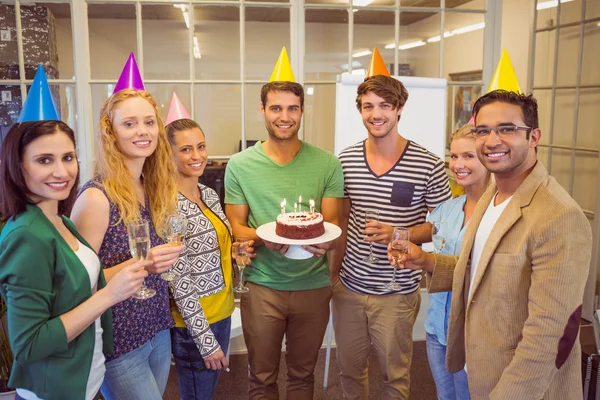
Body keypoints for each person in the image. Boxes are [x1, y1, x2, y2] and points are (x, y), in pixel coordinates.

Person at [391, 90, 592, 399]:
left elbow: (552, 330)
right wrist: (424, 261)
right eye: (482, 131)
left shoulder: (558, 215)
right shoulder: (491, 196)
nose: (491, 140)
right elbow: (480, 270)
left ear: (534, 136)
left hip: (518, 381)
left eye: (507, 129)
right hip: (475, 362)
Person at [0, 120, 149, 400]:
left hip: (85, 378)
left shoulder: (60, 220)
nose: (62, 171)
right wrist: (108, 296)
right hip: (53, 390)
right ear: (18, 167)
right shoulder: (26, 236)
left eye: (68, 157)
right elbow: (29, 344)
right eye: (44, 160)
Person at [224, 60, 344, 397]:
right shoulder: (240, 164)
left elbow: (331, 223)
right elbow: (236, 226)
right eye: (275, 107)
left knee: (303, 375)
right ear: (262, 110)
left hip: (313, 285)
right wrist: (267, 239)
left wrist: (325, 246)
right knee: (261, 376)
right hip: (263, 287)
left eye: (292, 108)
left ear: (302, 111)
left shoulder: (327, 163)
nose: (284, 116)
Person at [332, 73, 451, 399]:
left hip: (397, 292)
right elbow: (340, 221)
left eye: (384, 105)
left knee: (394, 377)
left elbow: (445, 227)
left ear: (399, 109)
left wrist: (402, 233)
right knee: (350, 373)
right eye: (368, 106)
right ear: (360, 111)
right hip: (349, 290)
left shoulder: (428, 165)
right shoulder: (345, 160)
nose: (376, 114)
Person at [70, 89, 182, 400]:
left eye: (148, 122)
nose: (142, 131)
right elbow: (78, 283)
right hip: (119, 338)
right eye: (129, 124)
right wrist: (145, 264)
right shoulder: (95, 197)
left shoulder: (152, 188)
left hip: (158, 326)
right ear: (111, 132)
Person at [165, 105, 236, 399]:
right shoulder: (169, 206)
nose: (197, 156)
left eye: (201, 146)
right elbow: (177, 279)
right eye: (186, 149)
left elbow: (219, 244)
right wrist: (205, 341)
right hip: (194, 324)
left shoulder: (207, 193)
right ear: (168, 154)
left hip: (223, 309)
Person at [421, 124, 489, 399]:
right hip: (437, 328)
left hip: (474, 334)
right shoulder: (446, 209)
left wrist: (427, 261)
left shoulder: (500, 214)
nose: (458, 164)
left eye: (468, 156)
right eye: (454, 156)